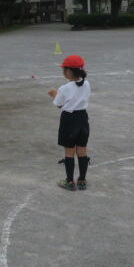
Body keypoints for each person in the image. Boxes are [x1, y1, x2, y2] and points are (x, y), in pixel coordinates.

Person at [48, 55, 91, 191]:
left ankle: (69, 181)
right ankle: (82, 180)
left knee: (69, 151)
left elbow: (59, 105)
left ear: (68, 71)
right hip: (83, 118)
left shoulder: (65, 88)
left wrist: (54, 94)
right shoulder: (87, 83)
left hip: (69, 119)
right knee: (82, 150)